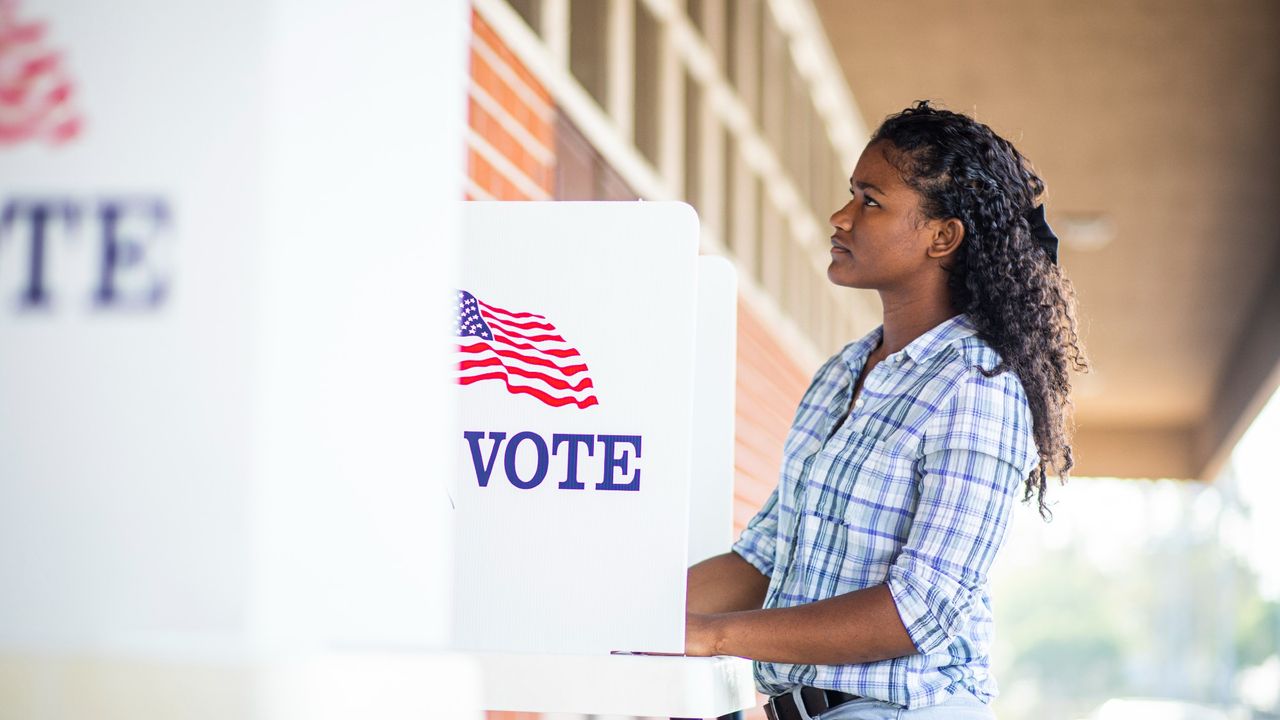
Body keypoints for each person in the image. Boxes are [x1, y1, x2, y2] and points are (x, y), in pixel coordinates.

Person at [683, 101, 1090, 719]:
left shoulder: (977, 386)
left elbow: (919, 608)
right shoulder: (842, 372)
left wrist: (712, 635)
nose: (841, 217)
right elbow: (766, 556)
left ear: (942, 236)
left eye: (870, 201)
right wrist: (632, 612)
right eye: (851, 194)